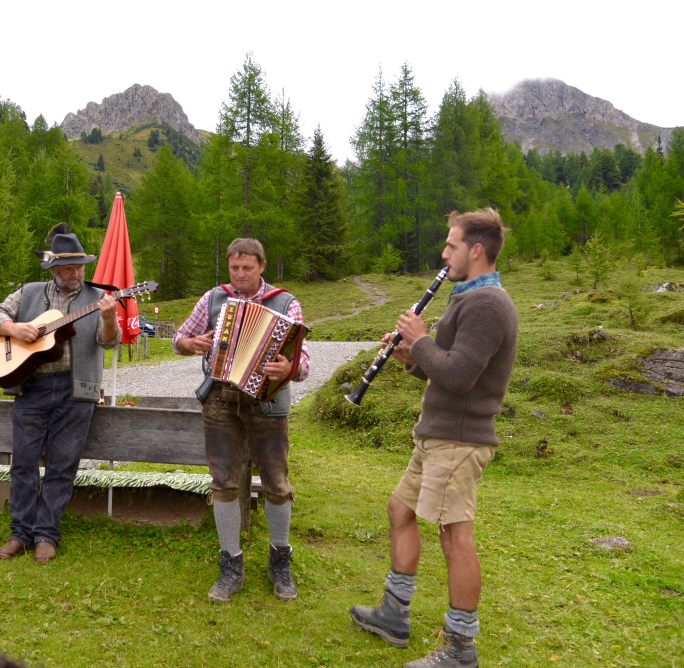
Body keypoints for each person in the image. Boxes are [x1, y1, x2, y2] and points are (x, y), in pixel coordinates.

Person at [349, 209, 518, 668]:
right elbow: (444, 369)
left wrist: (421, 339)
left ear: (476, 250)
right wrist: (410, 355)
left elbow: (461, 376)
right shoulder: (467, 299)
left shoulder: (488, 304)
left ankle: (461, 648)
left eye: (451, 246)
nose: (444, 254)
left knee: (453, 536)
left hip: (460, 440)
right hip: (437, 434)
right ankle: (393, 614)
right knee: (399, 510)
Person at [173, 238, 310, 603]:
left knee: (277, 482)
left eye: (247, 268)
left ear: (262, 266)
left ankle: (280, 559)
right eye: (234, 268)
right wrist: (192, 344)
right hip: (220, 400)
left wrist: (288, 367)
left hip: (267, 402)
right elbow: (179, 339)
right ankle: (230, 563)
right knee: (223, 481)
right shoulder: (213, 298)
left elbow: (304, 364)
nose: (240, 274)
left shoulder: (286, 302)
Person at [0, 227, 120, 564]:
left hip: (77, 392)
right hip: (32, 388)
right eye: (70, 269)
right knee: (24, 464)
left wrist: (109, 318)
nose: (77, 274)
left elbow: (108, 342)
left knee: (63, 466)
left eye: (81, 268)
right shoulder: (29, 293)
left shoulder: (97, 297)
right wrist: (14, 329)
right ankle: (20, 533)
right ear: (54, 269)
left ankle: (47, 534)